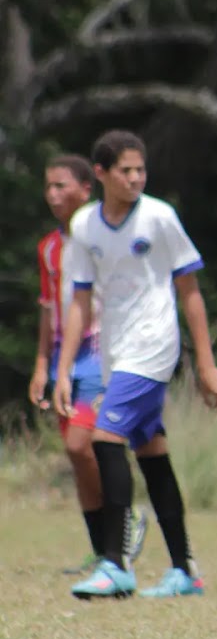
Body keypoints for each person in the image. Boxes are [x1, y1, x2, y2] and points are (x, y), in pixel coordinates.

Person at [53, 130, 217, 599]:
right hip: (115, 351)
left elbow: (189, 292)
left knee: (104, 439)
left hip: (154, 347)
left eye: (140, 170)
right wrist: (63, 370)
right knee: (152, 455)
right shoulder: (85, 226)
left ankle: (114, 563)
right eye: (125, 171)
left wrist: (207, 365)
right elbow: (78, 301)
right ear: (102, 174)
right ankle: (184, 570)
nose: (135, 178)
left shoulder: (159, 217)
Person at [28, 155, 147, 575]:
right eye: (49, 187)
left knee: (85, 444)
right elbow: (48, 310)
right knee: (77, 457)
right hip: (65, 358)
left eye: (61, 186)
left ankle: (123, 529)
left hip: (101, 351)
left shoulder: (103, 237)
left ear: (85, 188)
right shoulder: (49, 248)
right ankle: (104, 553)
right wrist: (43, 365)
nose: (53, 195)